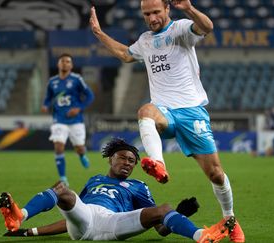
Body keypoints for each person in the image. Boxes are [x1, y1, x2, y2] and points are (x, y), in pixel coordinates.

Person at [89, 1, 245, 241]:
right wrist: (99, 33)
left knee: (215, 174)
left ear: (167, 10)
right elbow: (124, 54)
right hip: (164, 111)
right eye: (146, 14)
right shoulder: (145, 41)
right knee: (145, 111)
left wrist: (190, 8)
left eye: (155, 12)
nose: (151, 18)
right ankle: (158, 164)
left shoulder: (181, 30)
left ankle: (230, 219)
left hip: (192, 112)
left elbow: (208, 27)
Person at [0, 138, 235, 242]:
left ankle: (200, 236)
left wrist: (181, 213)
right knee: (61, 189)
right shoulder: (94, 180)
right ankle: (20, 216)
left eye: (132, 161)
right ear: (111, 159)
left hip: (113, 223)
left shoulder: (138, 186)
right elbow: (71, 218)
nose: (128, 163)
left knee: (164, 208)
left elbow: (160, 230)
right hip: (84, 221)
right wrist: (30, 232)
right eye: (123, 158)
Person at [41, 53, 95, 185]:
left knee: (80, 148)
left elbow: (89, 96)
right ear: (58, 64)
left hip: (76, 120)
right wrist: (45, 105)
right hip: (59, 120)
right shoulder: (52, 82)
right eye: (62, 61)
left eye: (68, 61)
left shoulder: (77, 79)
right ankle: (63, 177)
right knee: (58, 146)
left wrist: (79, 108)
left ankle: (82, 155)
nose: (65, 63)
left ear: (71, 65)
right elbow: (48, 97)